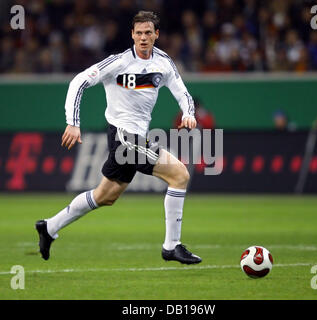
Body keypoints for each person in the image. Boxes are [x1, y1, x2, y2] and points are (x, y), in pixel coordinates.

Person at [35, 11, 202, 265]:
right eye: (138, 33)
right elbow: (78, 81)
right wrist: (73, 123)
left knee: (106, 196)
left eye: (148, 33)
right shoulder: (119, 62)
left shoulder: (164, 62)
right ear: (132, 35)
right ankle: (172, 246)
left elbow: (183, 94)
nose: (143, 38)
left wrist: (189, 113)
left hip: (137, 135)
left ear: (157, 34)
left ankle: (49, 227)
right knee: (179, 174)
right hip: (124, 136)